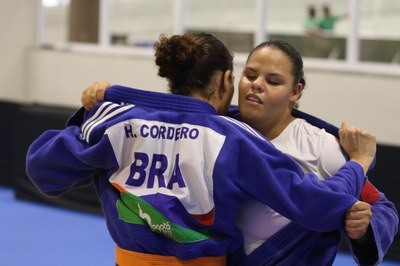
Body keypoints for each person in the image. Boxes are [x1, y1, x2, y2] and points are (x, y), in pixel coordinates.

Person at [27, 33, 376, 266]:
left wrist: (90, 115)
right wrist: (357, 164)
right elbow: (315, 206)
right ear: (226, 80)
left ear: (170, 78)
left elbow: (43, 170)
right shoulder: (233, 138)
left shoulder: (116, 122)